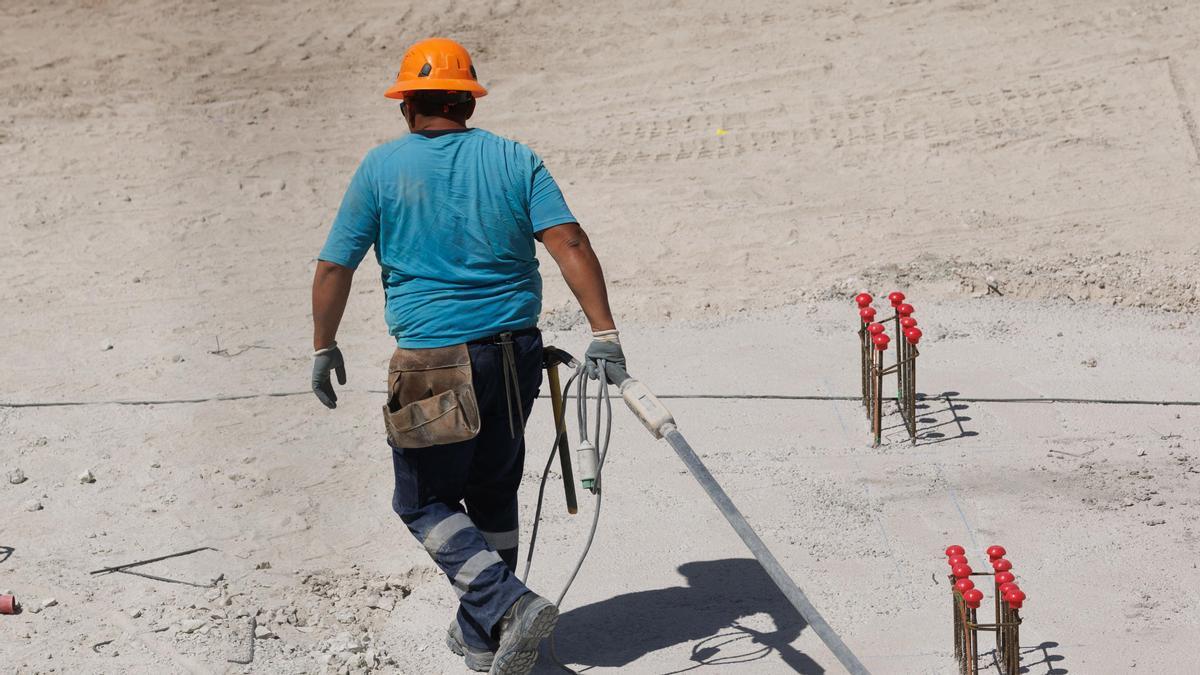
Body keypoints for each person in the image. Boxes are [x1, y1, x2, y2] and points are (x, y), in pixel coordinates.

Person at [308, 37, 625, 675]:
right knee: (492, 487)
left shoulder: (381, 168)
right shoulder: (514, 159)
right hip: (516, 354)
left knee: (421, 501)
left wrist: (324, 343)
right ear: (466, 103)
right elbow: (569, 241)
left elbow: (335, 265)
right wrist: (605, 332)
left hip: (434, 363)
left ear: (408, 107)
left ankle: (505, 602)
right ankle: (484, 637)